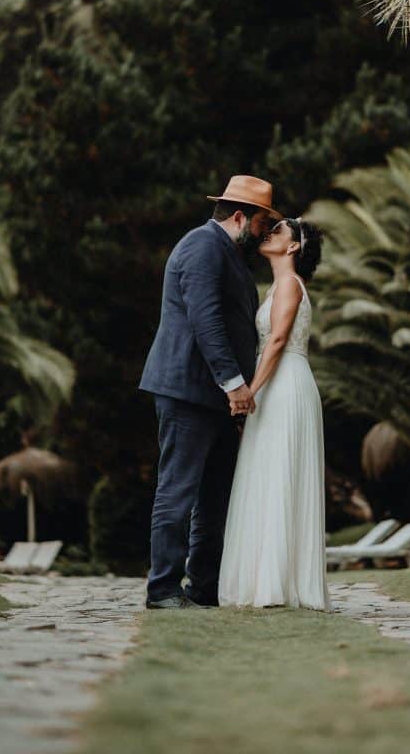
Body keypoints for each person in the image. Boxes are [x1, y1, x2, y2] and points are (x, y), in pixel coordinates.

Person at [140, 175, 279, 609]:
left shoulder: (228, 252)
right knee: (178, 491)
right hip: (188, 390)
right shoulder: (201, 246)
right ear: (240, 217)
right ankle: (162, 588)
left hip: (216, 397)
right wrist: (235, 383)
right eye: (260, 225)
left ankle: (203, 587)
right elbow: (206, 319)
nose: (263, 235)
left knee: (214, 496)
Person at [219, 217, 331, 611]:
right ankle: (268, 580)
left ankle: (279, 584)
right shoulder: (274, 288)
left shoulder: (287, 285)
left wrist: (250, 391)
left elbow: (279, 340)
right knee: (267, 474)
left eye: (279, 231)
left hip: (285, 386)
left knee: (280, 473)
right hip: (275, 385)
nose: (269, 233)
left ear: (293, 247)